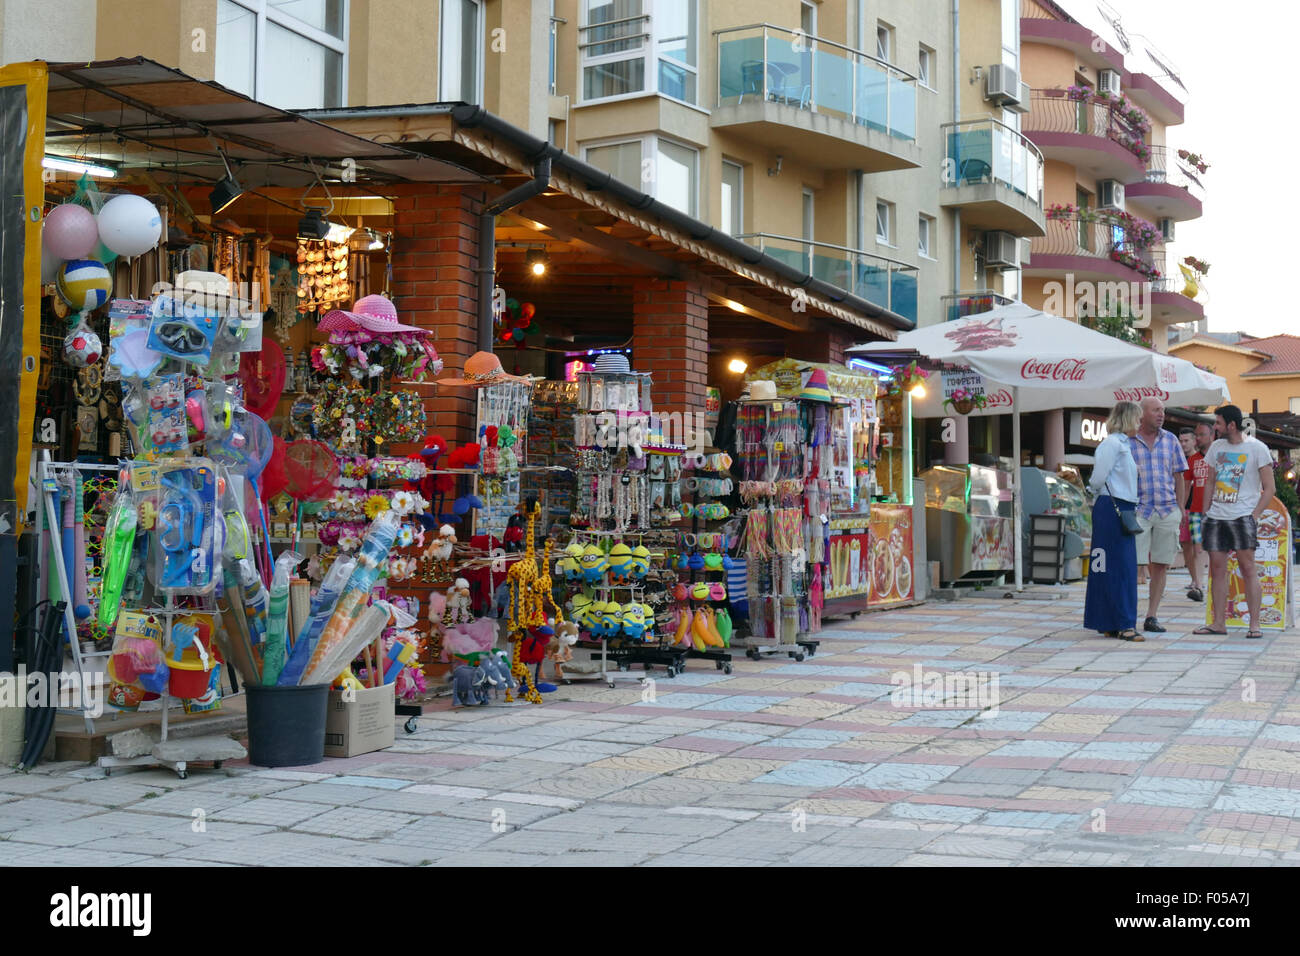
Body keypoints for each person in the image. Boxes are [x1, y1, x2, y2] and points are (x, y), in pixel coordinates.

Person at [1197, 404, 1275, 638]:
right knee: (1217, 569)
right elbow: (1210, 481)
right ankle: (1218, 622)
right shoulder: (1216, 448)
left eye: (1218, 423)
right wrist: (1205, 513)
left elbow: (1270, 488)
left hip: (1242, 515)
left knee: (1248, 568)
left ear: (1231, 424)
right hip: (1217, 516)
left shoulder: (1257, 448)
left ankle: (1255, 624)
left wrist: (1253, 516)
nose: (1215, 427)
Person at [1084, 401, 1142, 641]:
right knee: (1113, 566)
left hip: (1120, 506)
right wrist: (1091, 490)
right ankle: (1121, 622)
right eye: (1137, 419)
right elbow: (1098, 477)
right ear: (1128, 419)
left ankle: (1112, 620)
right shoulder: (1112, 444)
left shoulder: (1122, 445)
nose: (1139, 424)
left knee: (1118, 566)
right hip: (1113, 506)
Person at [1130, 396, 1187, 634]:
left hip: (1166, 509)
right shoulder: (1128, 441)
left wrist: (1180, 509)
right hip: (1139, 510)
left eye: (1162, 410)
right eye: (1156, 410)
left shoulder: (1171, 440)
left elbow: (1179, 476)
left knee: (1161, 564)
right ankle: (1127, 614)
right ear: (1142, 414)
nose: (1161, 414)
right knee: (1133, 564)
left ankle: (1152, 615)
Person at [1178, 423, 1213, 602]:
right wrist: (1182, 508)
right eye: (1196, 435)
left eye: (1201, 435)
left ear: (1211, 435)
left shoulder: (1219, 456)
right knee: (1197, 548)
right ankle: (1198, 585)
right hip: (1196, 510)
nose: (1198, 438)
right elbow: (1185, 485)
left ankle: (1214, 583)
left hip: (1218, 511)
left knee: (1216, 549)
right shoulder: (1192, 460)